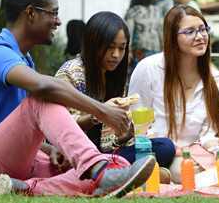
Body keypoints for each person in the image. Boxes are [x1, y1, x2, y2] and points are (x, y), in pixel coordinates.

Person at [0, 0, 155, 197]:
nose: (58, 21)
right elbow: (43, 88)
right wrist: (102, 111)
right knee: (41, 99)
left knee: (117, 163)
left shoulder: (24, 60)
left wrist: (51, 149)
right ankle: (99, 171)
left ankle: (22, 188)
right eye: (53, 13)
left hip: (9, 166)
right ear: (30, 13)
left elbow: (19, 129)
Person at [56, 11, 175, 170]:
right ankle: (127, 171)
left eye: (122, 48)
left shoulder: (114, 76)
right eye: (110, 47)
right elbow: (60, 127)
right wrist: (100, 113)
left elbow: (107, 145)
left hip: (102, 155)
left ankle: (121, 171)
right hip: (74, 154)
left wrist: (125, 135)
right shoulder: (70, 73)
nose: (116, 55)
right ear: (93, 44)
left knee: (165, 147)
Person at [128, 5, 219, 183]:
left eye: (203, 29)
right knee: (183, 172)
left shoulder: (216, 80)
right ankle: (161, 174)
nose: (200, 36)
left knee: (218, 171)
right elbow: (138, 123)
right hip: (158, 150)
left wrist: (203, 153)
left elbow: (212, 133)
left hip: (198, 155)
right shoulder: (148, 69)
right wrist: (175, 151)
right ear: (172, 38)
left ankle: (170, 176)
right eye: (189, 31)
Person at [124, 0, 163, 65]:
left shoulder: (133, 11)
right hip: (156, 49)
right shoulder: (157, 10)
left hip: (140, 51)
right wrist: (163, 49)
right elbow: (161, 31)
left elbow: (128, 33)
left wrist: (128, 51)